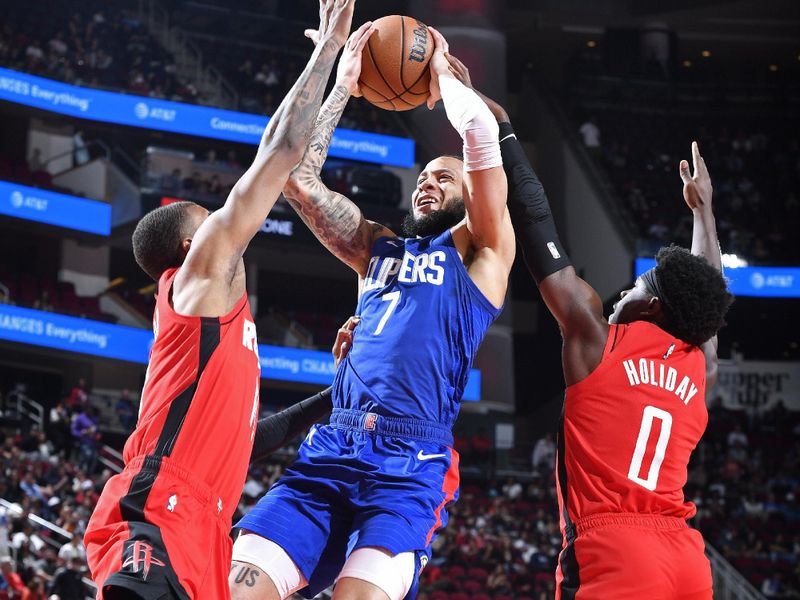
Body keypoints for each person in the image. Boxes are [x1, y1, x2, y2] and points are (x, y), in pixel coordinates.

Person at [83, 2, 360, 598]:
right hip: (160, 511)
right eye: (212, 223)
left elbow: (245, 441)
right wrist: (329, 48)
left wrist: (340, 393)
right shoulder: (197, 281)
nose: (231, 232)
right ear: (192, 243)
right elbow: (278, 155)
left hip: (204, 520)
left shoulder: (210, 327)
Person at [231, 27, 515, 600]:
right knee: (238, 589)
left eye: (444, 178)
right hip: (333, 445)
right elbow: (296, 178)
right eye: (423, 178)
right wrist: (342, 84)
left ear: (471, 198)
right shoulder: (377, 248)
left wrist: (439, 75)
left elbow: (481, 133)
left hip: (411, 459)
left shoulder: (483, 254)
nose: (426, 185)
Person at [446, 56, 732, 600]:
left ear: (651, 310)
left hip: (616, 549)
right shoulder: (699, 366)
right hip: (685, 558)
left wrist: (503, 132)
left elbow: (536, 224)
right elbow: (707, 298)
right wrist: (705, 217)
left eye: (636, 289)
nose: (624, 293)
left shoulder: (597, 341)